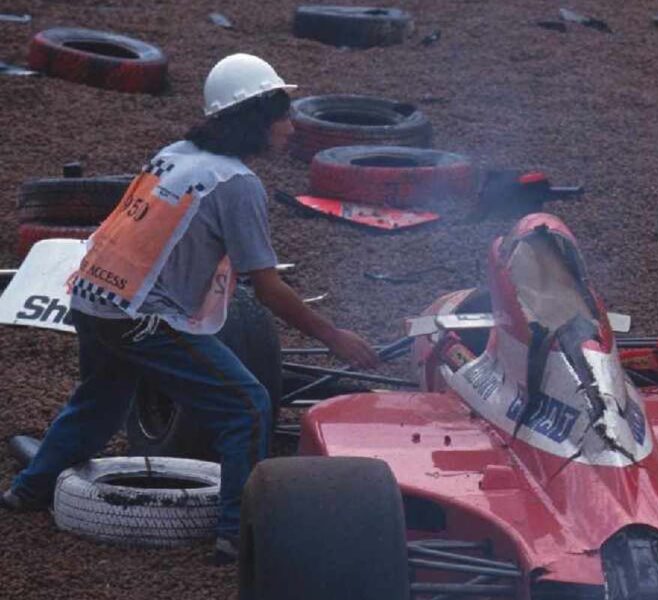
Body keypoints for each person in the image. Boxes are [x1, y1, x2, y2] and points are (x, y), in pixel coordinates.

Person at [0, 54, 380, 564]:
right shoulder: (236, 183)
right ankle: (235, 535)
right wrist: (334, 338)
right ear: (254, 119)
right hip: (140, 315)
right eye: (282, 116)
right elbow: (266, 288)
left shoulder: (175, 154)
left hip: (92, 296)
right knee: (245, 405)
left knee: (100, 400)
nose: (291, 128)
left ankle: (29, 489)